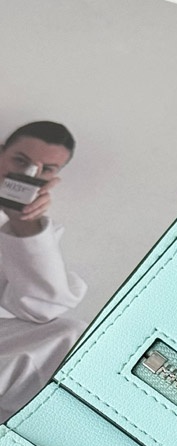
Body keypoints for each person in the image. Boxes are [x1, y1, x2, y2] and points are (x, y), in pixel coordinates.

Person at [0, 121, 86, 422]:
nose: (29, 174)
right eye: (20, 161)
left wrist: (24, 224)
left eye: (45, 169)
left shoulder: (30, 232)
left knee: (68, 333)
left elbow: (41, 308)